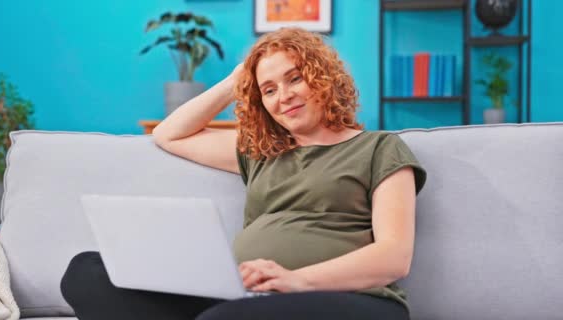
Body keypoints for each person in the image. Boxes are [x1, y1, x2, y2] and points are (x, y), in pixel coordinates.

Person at [60, 27, 427, 320]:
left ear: (322, 77)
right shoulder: (262, 153)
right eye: (268, 90)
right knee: (87, 272)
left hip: (350, 299)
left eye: (294, 78)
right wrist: (238, 81)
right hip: (244, 296)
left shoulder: (379, 148)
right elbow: (167, 134)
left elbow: (394, 256)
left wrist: (296, 280)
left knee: (225, 318)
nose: (283, 96)